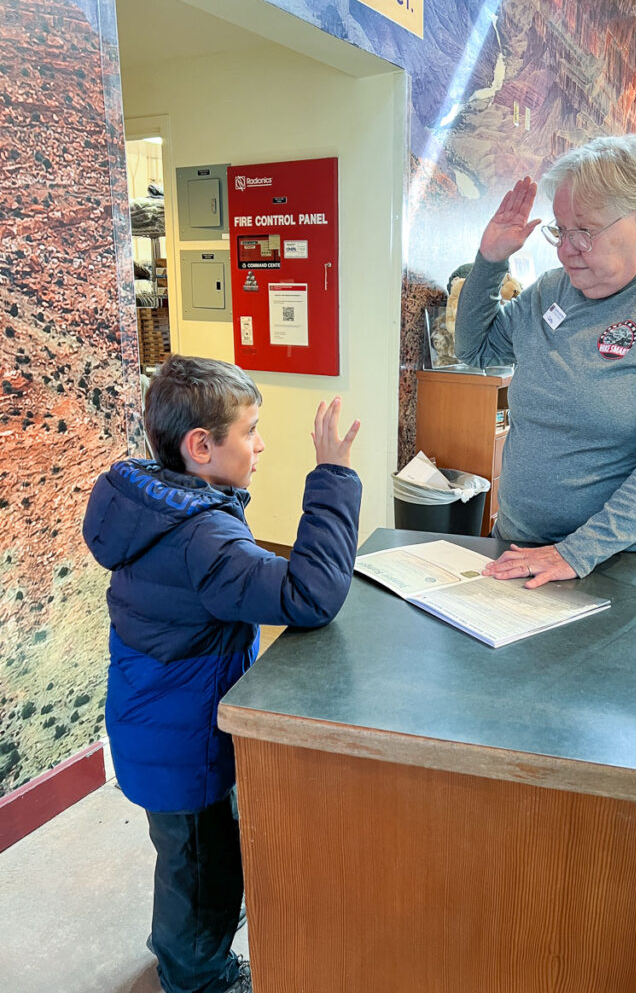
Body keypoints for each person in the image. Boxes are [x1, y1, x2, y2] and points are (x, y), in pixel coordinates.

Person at [82, 355, 362, 993]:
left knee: (185, 861)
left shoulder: (157, 503)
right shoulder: (201, 538)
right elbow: (309, 594)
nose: (261, 444)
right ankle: (197, 978)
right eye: (251, 430)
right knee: (204, 871)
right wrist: (333, 477)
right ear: (201, 446)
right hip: (184, 744)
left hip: (153, 720)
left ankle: (179, 949)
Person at [455, 134, 636, 588]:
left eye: (584, 232)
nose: (565, 249)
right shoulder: (552, 291)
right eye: (560, 230)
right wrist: (489, 261)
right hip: (521, 547)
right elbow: (474, 351)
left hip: (624, 564)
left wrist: (577, 552)